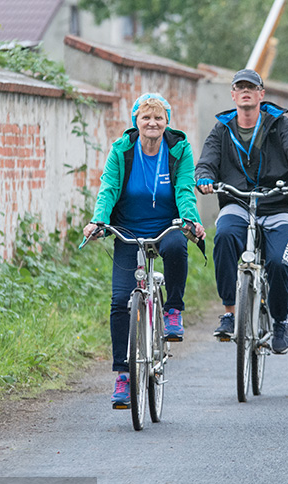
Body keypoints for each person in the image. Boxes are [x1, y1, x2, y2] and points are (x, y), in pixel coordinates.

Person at [83, 93, 206, 409]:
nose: (152, 124)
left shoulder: (178, 150)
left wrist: (190, 220)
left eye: (159, 118)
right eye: (146, 118)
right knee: (119, 300)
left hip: (167, 224)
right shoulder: (122, 150)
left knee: (177, 245)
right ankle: (123, 375)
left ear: (167, 123)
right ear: (136, 122)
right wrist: (99, 220)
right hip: (127, 228)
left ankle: (174, 309)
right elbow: (108, 188)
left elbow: (184, 190)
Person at [195, 69, 288, 354]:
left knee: (277, 262)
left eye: (252, 87)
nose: (246, 91)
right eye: (240, 87)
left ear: (261, 94)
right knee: (223, 236)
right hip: (237, 203)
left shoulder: (279, 125)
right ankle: (229, 312)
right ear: (233, 95)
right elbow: (207, 159)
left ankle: (281, 322)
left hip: (279, 205)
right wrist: (204, 176)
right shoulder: (222, 129)